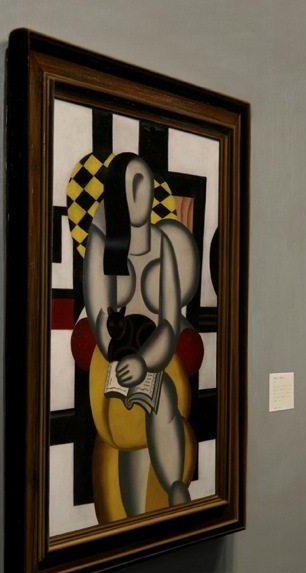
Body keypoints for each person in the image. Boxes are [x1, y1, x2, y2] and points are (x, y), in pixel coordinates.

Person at [83, 152, 199, 516]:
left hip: (155, 355)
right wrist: (120, 356)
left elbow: (169, 323)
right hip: (112, 360)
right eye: (130, 184)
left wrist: (145, 360)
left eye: (143, 182)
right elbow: (99, 316)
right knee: (119, 439)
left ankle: (175, 485)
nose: (138, 192)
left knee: (164, 395)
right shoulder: (101, 242)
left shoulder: (163, 245)